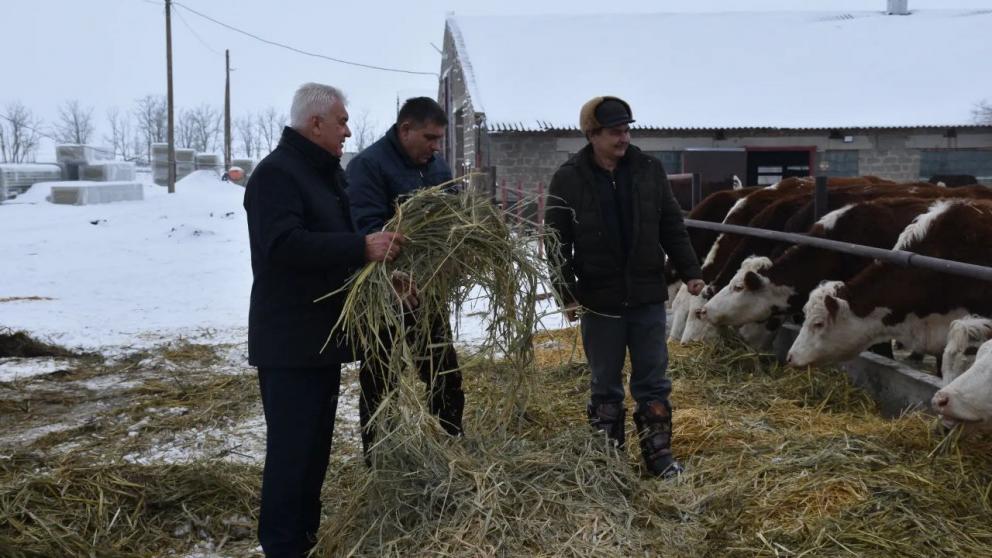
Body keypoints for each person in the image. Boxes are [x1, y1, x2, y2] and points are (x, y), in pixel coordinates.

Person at [244, 82, 405, 557]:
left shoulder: (325, 174)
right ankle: (282, 546)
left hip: (320, 339)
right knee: (292, 454)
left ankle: (304, 540)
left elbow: (337, 255)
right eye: (342, 121)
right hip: (290, 342)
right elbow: (282, 246)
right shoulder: (276, 175)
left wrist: (383, 281)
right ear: (315, 123)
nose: (348, 131)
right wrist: (361, 246)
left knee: (313, 453)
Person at [544, 96, 706, 478]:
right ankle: (607, 460)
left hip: (647, 294)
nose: (624, 138)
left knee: (653, 380)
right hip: (599, 299)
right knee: (604, 383)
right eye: (615, 131)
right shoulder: (569, 177)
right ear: (592, 134)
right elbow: (555, 241)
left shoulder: (648, 170)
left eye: (626, 130)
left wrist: (690, 270)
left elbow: (671, 224)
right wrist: (565, 292)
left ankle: (659, 456)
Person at [346, 97, 464, 458]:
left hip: (428, 294)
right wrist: (392, 276)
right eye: (429, 138)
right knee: (381, 381)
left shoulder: (438, 167)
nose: (435, 146)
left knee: (444, 373)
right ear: (405, 129)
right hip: (385, 298)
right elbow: (366, 229)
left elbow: (452, 218)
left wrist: (455, 252)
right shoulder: (369, 166)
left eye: (439, 139)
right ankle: (381, 460)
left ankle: (452, 446)